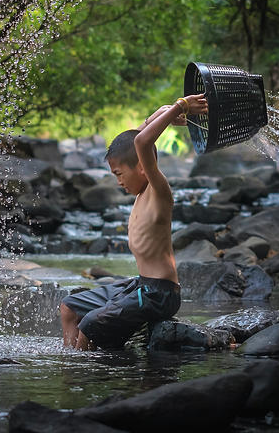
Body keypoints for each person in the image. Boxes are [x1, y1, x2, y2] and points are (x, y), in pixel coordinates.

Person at [59, 93, 209, 350]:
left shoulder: (157, 190)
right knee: (69, 308)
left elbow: (141, 142)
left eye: (119, 174)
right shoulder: (141, 190)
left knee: (90, 324)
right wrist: (161, 112)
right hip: (140, 285)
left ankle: (83, 372)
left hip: (160, 295)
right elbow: (133, 139)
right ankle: (72, 360)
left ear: (142, 167)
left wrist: (180, 106)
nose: (118, 181)